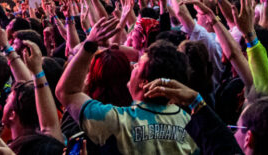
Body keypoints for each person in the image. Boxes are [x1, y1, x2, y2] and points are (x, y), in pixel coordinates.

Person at [56, 17, 198, 153]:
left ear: (144, 83)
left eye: (138, 65)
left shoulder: (119, 121)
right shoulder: (190, 122)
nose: (133, 65)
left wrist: (90, 44)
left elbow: (66, 92)